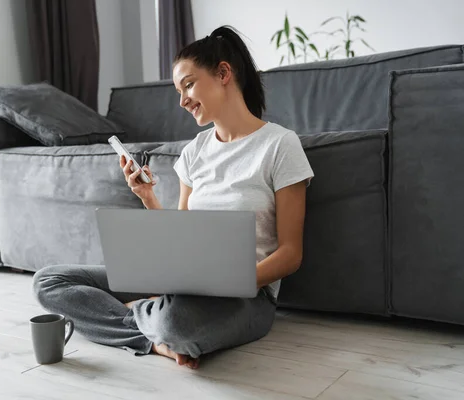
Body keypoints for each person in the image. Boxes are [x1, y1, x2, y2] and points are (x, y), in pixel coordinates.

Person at [33, 25, 314, 370]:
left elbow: (290, 255)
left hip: (248, 298)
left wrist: (227, 283)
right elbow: (181, 241)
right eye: (178, 91)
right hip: (186, 288)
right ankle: (151, 336)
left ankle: (146, 317)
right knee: (49, 281)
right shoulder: (194, 152)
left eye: (189, 84)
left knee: (176, 322)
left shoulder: (280, 145)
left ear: (224, 73)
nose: (182, 101)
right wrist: (147, 196)